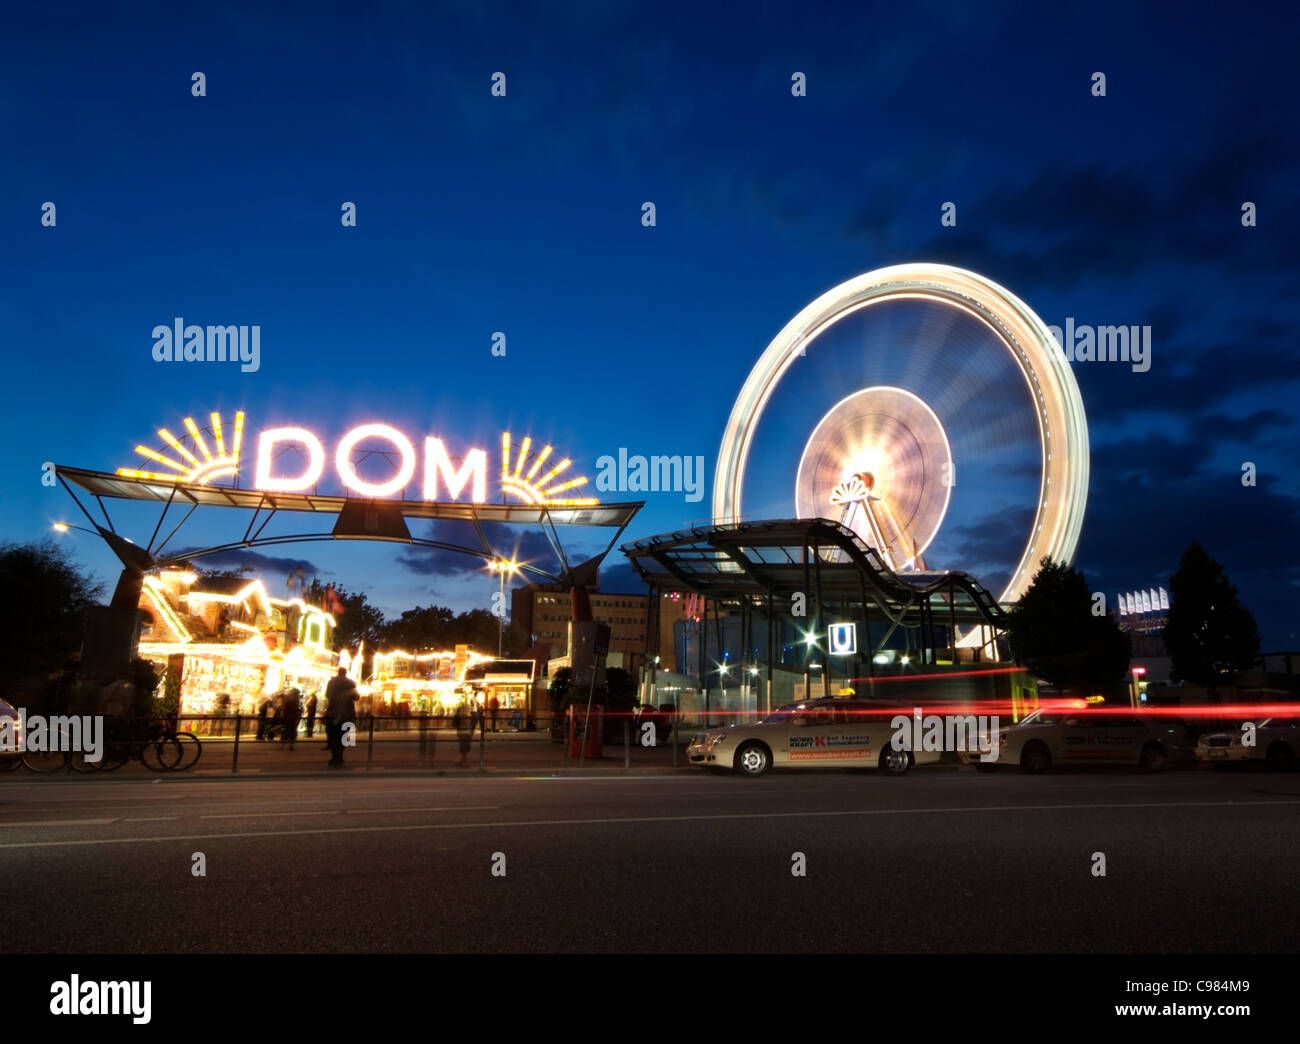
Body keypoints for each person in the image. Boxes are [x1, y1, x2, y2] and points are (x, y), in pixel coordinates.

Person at [323, 668, 358, 769]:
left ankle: (334, 758)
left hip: (332, 713)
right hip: (346, 714)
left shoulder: (331, 682)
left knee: (333, 737)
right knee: (344, 738)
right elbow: (356, 697)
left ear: (338, 673)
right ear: (345, 673)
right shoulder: (350, 682)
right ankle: (340, 759)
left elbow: (327, 696)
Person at [454, 693, 475, 768]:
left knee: (463, 748)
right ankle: (464, 761)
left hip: (462, 733)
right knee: (465, 748)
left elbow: (459, 725)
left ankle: (463, 761)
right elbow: (470, 725)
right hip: (467, 733)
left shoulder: (461, 716)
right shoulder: (469, 716)